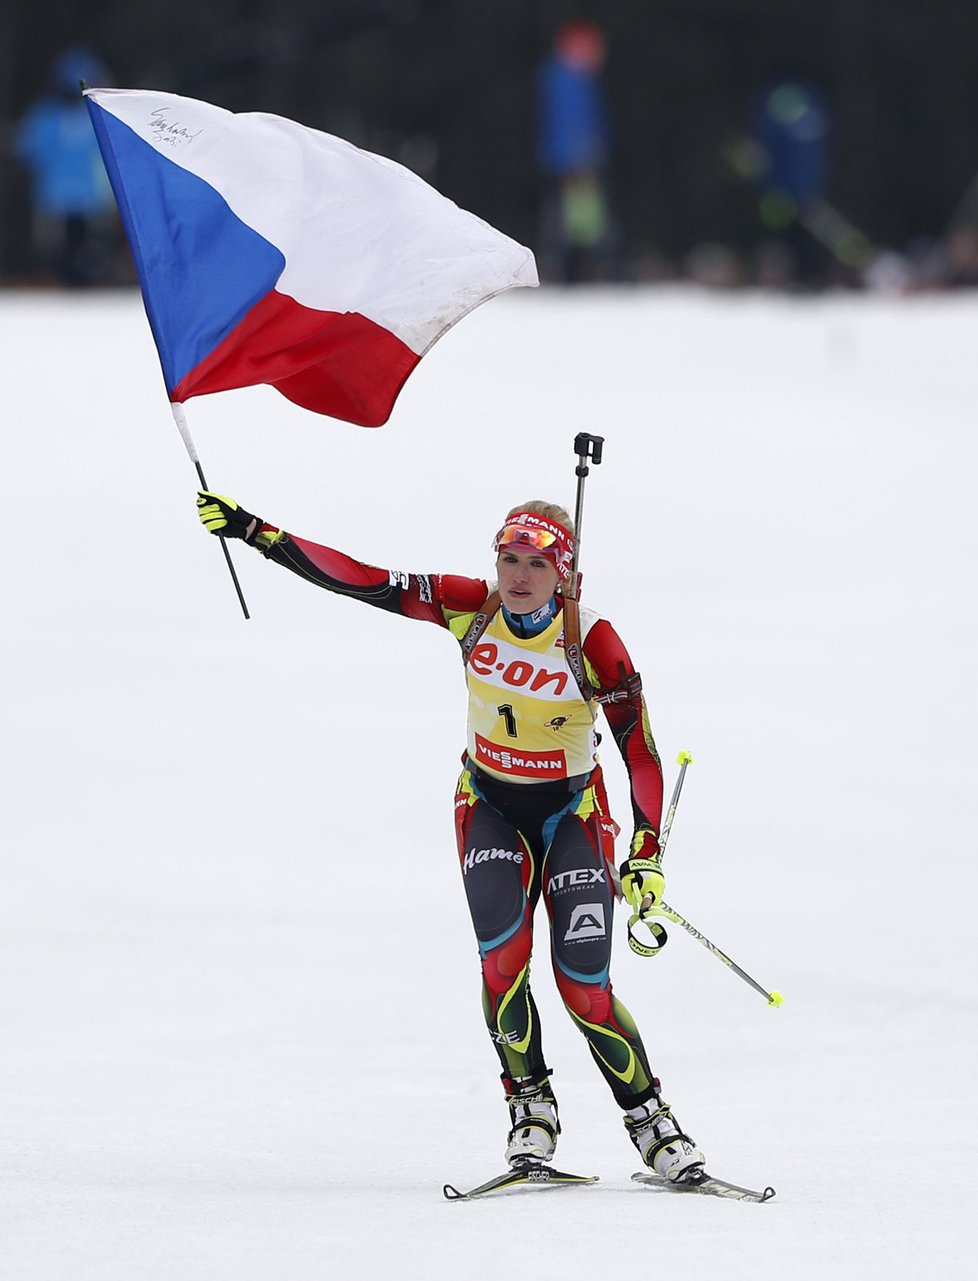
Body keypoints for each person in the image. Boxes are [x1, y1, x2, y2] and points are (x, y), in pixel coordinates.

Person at [196, 490, 706, 1179]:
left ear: (566, 574)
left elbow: (640, 753)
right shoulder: (473, 605)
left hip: (571, 817)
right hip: (489, 806)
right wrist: (258, 532)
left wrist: (645, 853)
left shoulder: (592, 640)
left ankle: (653, 1121)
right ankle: (531, 1109)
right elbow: (364, 580)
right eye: (507, 558)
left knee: (584, 984)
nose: (518, 576)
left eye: (534, 563)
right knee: (504, 961)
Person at [14, 46, 118, 286]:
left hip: (66, 199)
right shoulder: (98, 117)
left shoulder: (45, 116)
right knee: (82, 255)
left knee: (73, 254)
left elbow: (26, 151)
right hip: (82, 199)